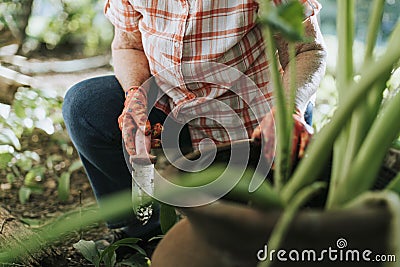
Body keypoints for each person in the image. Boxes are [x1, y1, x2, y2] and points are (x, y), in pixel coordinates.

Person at [62, 0, 326, 242]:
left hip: (257, 120)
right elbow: (128, 44)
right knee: (85, 107)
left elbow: (307, 50)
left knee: (257, 234)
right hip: (173, 105)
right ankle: (143, 232)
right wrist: (135, 98)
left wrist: (288, 110)